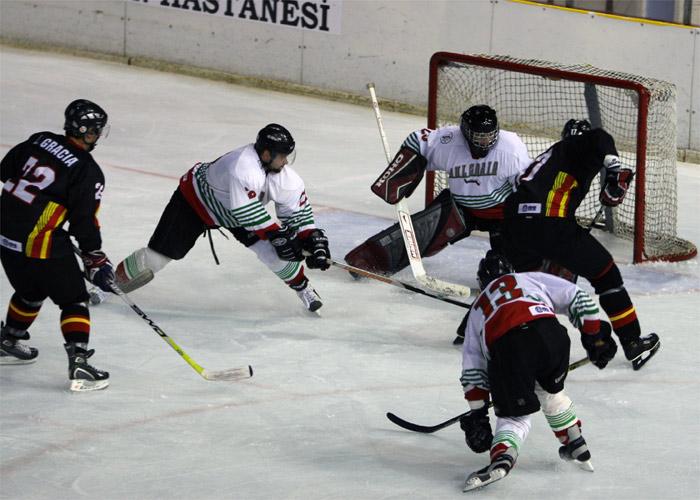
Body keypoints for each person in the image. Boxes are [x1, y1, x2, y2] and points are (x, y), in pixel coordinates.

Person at [114, 123, 331, 312]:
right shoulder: (243, 166)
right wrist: (278, 235)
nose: (285, 162)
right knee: (157, 258)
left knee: (276, 254)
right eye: (282, 156)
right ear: (266, 154)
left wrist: (310, 238)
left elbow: (298, 218)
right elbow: (245, 213)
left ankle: (303, 288)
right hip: (196, 202)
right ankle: (110, 283)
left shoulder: (286, 178)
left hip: (238, 211)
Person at [501, 119, 660, 370]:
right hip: (549, 224)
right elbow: (599, 137)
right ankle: (632, 342)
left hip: (514, 225)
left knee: (528, 284)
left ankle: (496, 335)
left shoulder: (554, 155)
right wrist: (614, 164)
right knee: (606, 274)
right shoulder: (582, 145)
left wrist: (611, 187)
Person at [459, 251, 616, 491]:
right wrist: (594, 335)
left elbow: (473, 369)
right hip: (553, 336)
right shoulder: (528, 278)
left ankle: (502, 458)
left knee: (514, 415)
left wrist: (478, 415)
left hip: (510, 346)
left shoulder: (479, 308)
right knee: (550, 391)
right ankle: (575, 441)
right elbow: (576, 296)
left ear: (482, 284)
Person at [0, 99, 114, 392]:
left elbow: (5, 171)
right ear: (87, 131)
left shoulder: (39, 140)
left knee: (30, 290)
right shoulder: (88, 171)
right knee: (74, 300)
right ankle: (79, 365)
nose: (97, 136)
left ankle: (7, 340)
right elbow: (83, 221)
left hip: (6, 236)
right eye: (95, 130)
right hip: (41, 243)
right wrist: (94, 257)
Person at [345, 105, 531, 276]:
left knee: (503, 269)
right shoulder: (449, 141)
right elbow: (417, 141)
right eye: (479, 137)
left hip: (502, 215)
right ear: (466, 132)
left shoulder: (511, 148)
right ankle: (369, 261)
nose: (485, 142)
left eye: (489, 136)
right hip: (461, 209)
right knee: (418, 234)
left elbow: (525, 188)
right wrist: (400, 174)